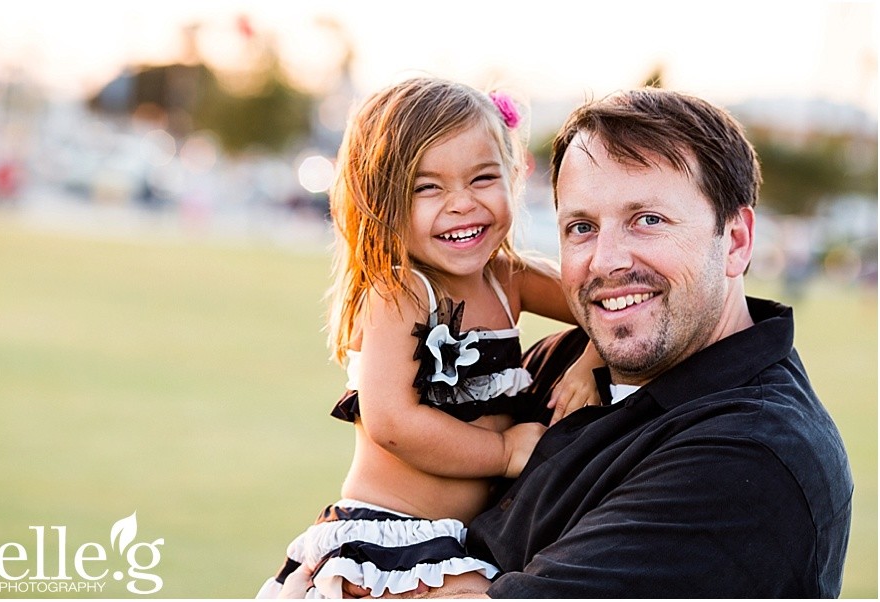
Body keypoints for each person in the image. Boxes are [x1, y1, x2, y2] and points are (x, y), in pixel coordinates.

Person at [279, 87, 854, 598]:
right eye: (581, 227)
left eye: (647, 220)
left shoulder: (746, 458)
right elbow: (397, 423)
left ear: (735, 239)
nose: (606, 261)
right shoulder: (555, 363)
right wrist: (587, 356)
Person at [256, 77, 602, 599]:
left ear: (512, 176)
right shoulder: (400, 293)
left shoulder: (510, 279)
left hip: (465, 542)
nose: (461, 204)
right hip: (390, 539)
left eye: (482, 178)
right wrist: (505, 451)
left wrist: (591, 360)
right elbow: (393, 423)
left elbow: (604, 305)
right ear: (383, 200)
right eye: (427, 187)